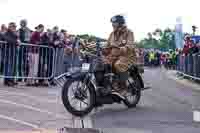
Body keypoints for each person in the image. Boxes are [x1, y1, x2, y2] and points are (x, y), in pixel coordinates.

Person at [102, 15, 137, 97]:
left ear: (120, 23)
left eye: (115, 22)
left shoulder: (129, 32)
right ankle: (107, 85)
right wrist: (103, 50)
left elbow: (130, 45)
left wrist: (124, 48)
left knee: (118, 64)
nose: (113, 24)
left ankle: (123, 87)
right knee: (102, 63)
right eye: (112, 23)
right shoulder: (112, 34)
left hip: (126, 56)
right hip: (113, 56)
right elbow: (107, 47)